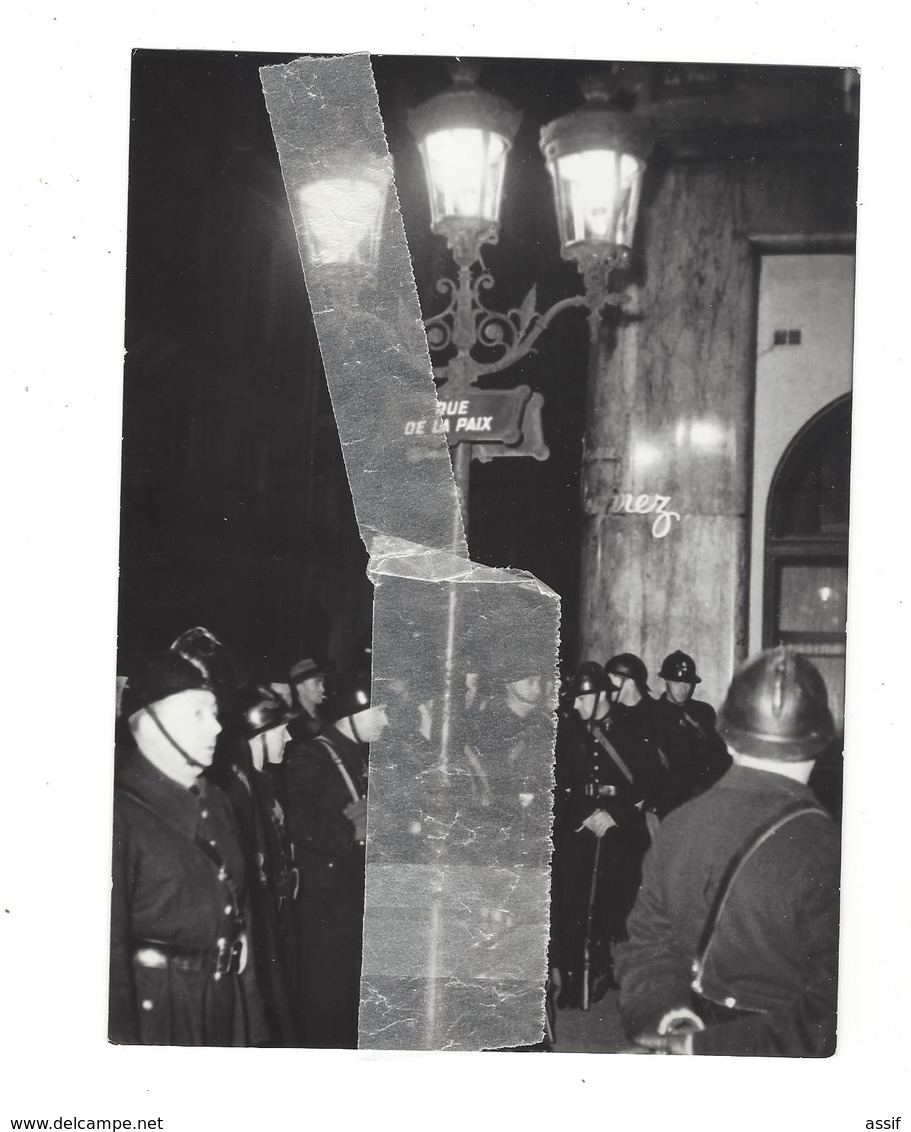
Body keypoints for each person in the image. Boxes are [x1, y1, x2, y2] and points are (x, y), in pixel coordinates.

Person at [614, 647, 840, 1057]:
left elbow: (647, 950)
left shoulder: (678, 827)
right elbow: (835, 1009)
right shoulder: (827, 848)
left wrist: (675, 1023)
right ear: (821, 741)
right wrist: (707, 1047)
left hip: (686, 1031)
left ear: (729, 736)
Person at [109, 652, 268, 1045]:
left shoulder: (217, 802)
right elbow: (104, 965)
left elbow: (240, 921)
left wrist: (253, 1031)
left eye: (213, 713)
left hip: (222, 1007)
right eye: (198, 714)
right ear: (147, 724)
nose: (215, 727)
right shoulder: (117, 814)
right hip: (160, 1019)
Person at [283, 674, 388, 1048]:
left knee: (349, 991)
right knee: (327, 995)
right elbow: (298, 821)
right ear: (354, 713)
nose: (385, 721)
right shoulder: (313, 754)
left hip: (350, 892)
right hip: (326, 900)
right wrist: (350, 830)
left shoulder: (354, 754)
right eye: (381, 711)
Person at [551, 662, 653, 1010]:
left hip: (618, 827)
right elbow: (561, 782)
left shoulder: (632, 727)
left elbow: (647, 782)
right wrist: (583, 815)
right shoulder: (569, 730)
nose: (576, 706)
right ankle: (577, 974)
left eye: (582, 699)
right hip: (581, 825)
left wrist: (614, 815)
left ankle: (605, 965)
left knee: (613, 899)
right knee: (571, 900)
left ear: (599, 696)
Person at [236, 683, 302, 1045]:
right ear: (258, 734)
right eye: (280, 730)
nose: (289, 737)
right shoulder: (238, 792)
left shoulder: (265, 782)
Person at [651, 650, 731, 817]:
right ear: (666, 680)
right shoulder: (652, 714)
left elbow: (719, 757)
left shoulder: (704, 712)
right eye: (677, 682)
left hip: (702, 800)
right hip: (667, 803)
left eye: (688, 683)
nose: (683, 689)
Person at [287, 656, 329, 741]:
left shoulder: (328, 711)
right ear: (299, 687)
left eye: (322, 683)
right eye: (316, 683)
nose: (322, 689)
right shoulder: (292, 724)